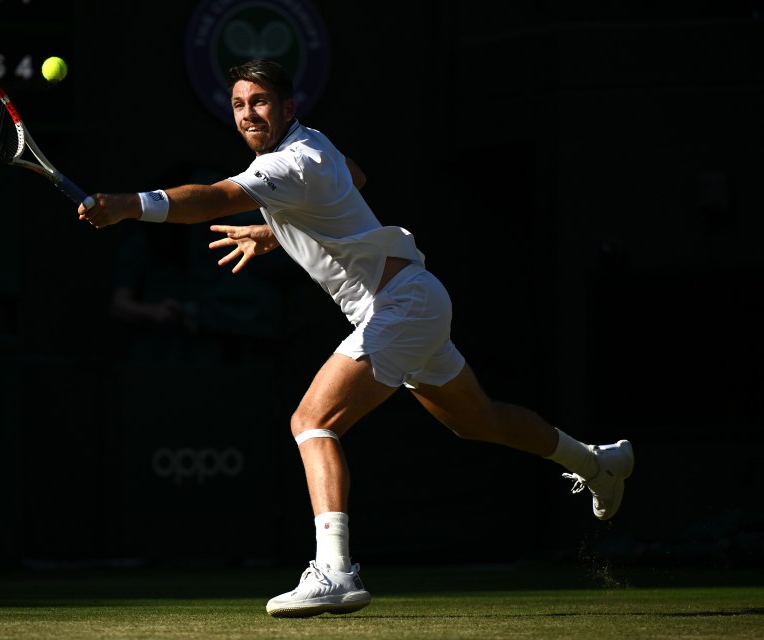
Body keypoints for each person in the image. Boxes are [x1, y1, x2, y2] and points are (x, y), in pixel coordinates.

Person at [77, 59, 634, 618]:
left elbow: (213, 198)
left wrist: (128, 205)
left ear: (288, 108)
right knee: (478, 419)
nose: (249, 114)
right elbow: (355, 179)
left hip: (401, 306)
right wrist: (280, 230)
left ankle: (335, 572)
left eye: (262, 102)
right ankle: (597, 462)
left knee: (311, 422)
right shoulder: (314, 148)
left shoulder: (292, 161)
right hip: (413, 301)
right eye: (240, 104)